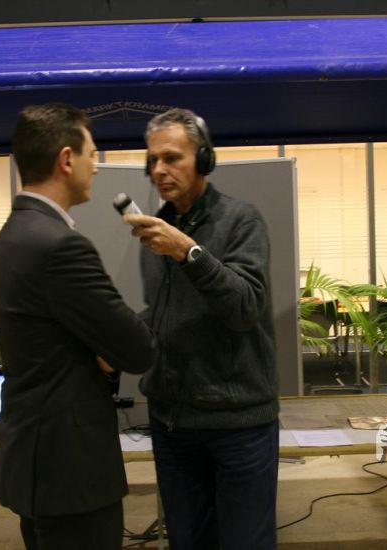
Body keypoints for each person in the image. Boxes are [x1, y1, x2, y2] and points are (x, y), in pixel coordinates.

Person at [0, 102, 156, 550]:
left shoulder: (11, 236)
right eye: (92, 154)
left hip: (32, 461)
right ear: (66, 159)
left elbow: (52, 340)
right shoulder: (62, 246)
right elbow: (137, 350)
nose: (96, 166)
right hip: (70, 470)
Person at [125, 108, 279, 549]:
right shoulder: (158, 229)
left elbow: (245, 308)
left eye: (172, 158)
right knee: (188, 541)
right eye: (152, 160)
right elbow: (163, 312)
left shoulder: (241, 220)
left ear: (205, 159)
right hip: (173, 424)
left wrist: (189, 253)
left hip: (238, 425)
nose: (159, 170)